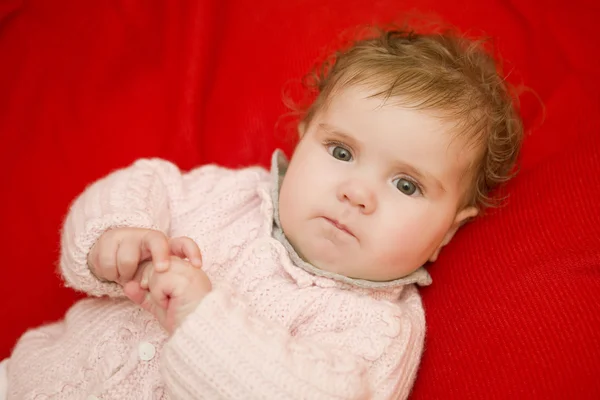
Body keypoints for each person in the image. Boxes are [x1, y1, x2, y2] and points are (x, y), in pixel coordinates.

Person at [2, 25, 523, 399]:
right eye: (341, 152)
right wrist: (116, 238)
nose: (357, 193)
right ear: (301, 143)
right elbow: (143, 183)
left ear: (447, 232)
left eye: (406, 184)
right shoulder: (229, 194)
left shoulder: (377, 329)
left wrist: (203, 324)